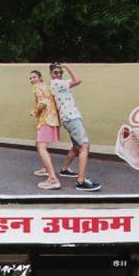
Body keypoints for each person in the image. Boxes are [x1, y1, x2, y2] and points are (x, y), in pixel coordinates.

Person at [45, 63, 102, 192]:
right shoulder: (56, 83)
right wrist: (66, 67)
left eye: (60, 72)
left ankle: (64, 169)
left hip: (70, 118)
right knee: (84, 147)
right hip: (71, 118)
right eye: (56, 72)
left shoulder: (59, 83)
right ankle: (80, 182)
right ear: (51, 74)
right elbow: (78, 80)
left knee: (77, 147)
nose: (58, 74)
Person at [28, 70, 61, 190]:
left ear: (40, 78)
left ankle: (53, 179)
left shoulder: (37, 87)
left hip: (46, 120)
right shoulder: (46, 87)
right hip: (52, 119)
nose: (32, 80)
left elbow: (43, 102)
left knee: (41, 147)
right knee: (42, 146)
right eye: (30, 78)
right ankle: (47, 170)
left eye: (34, 77)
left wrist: (35, 112)